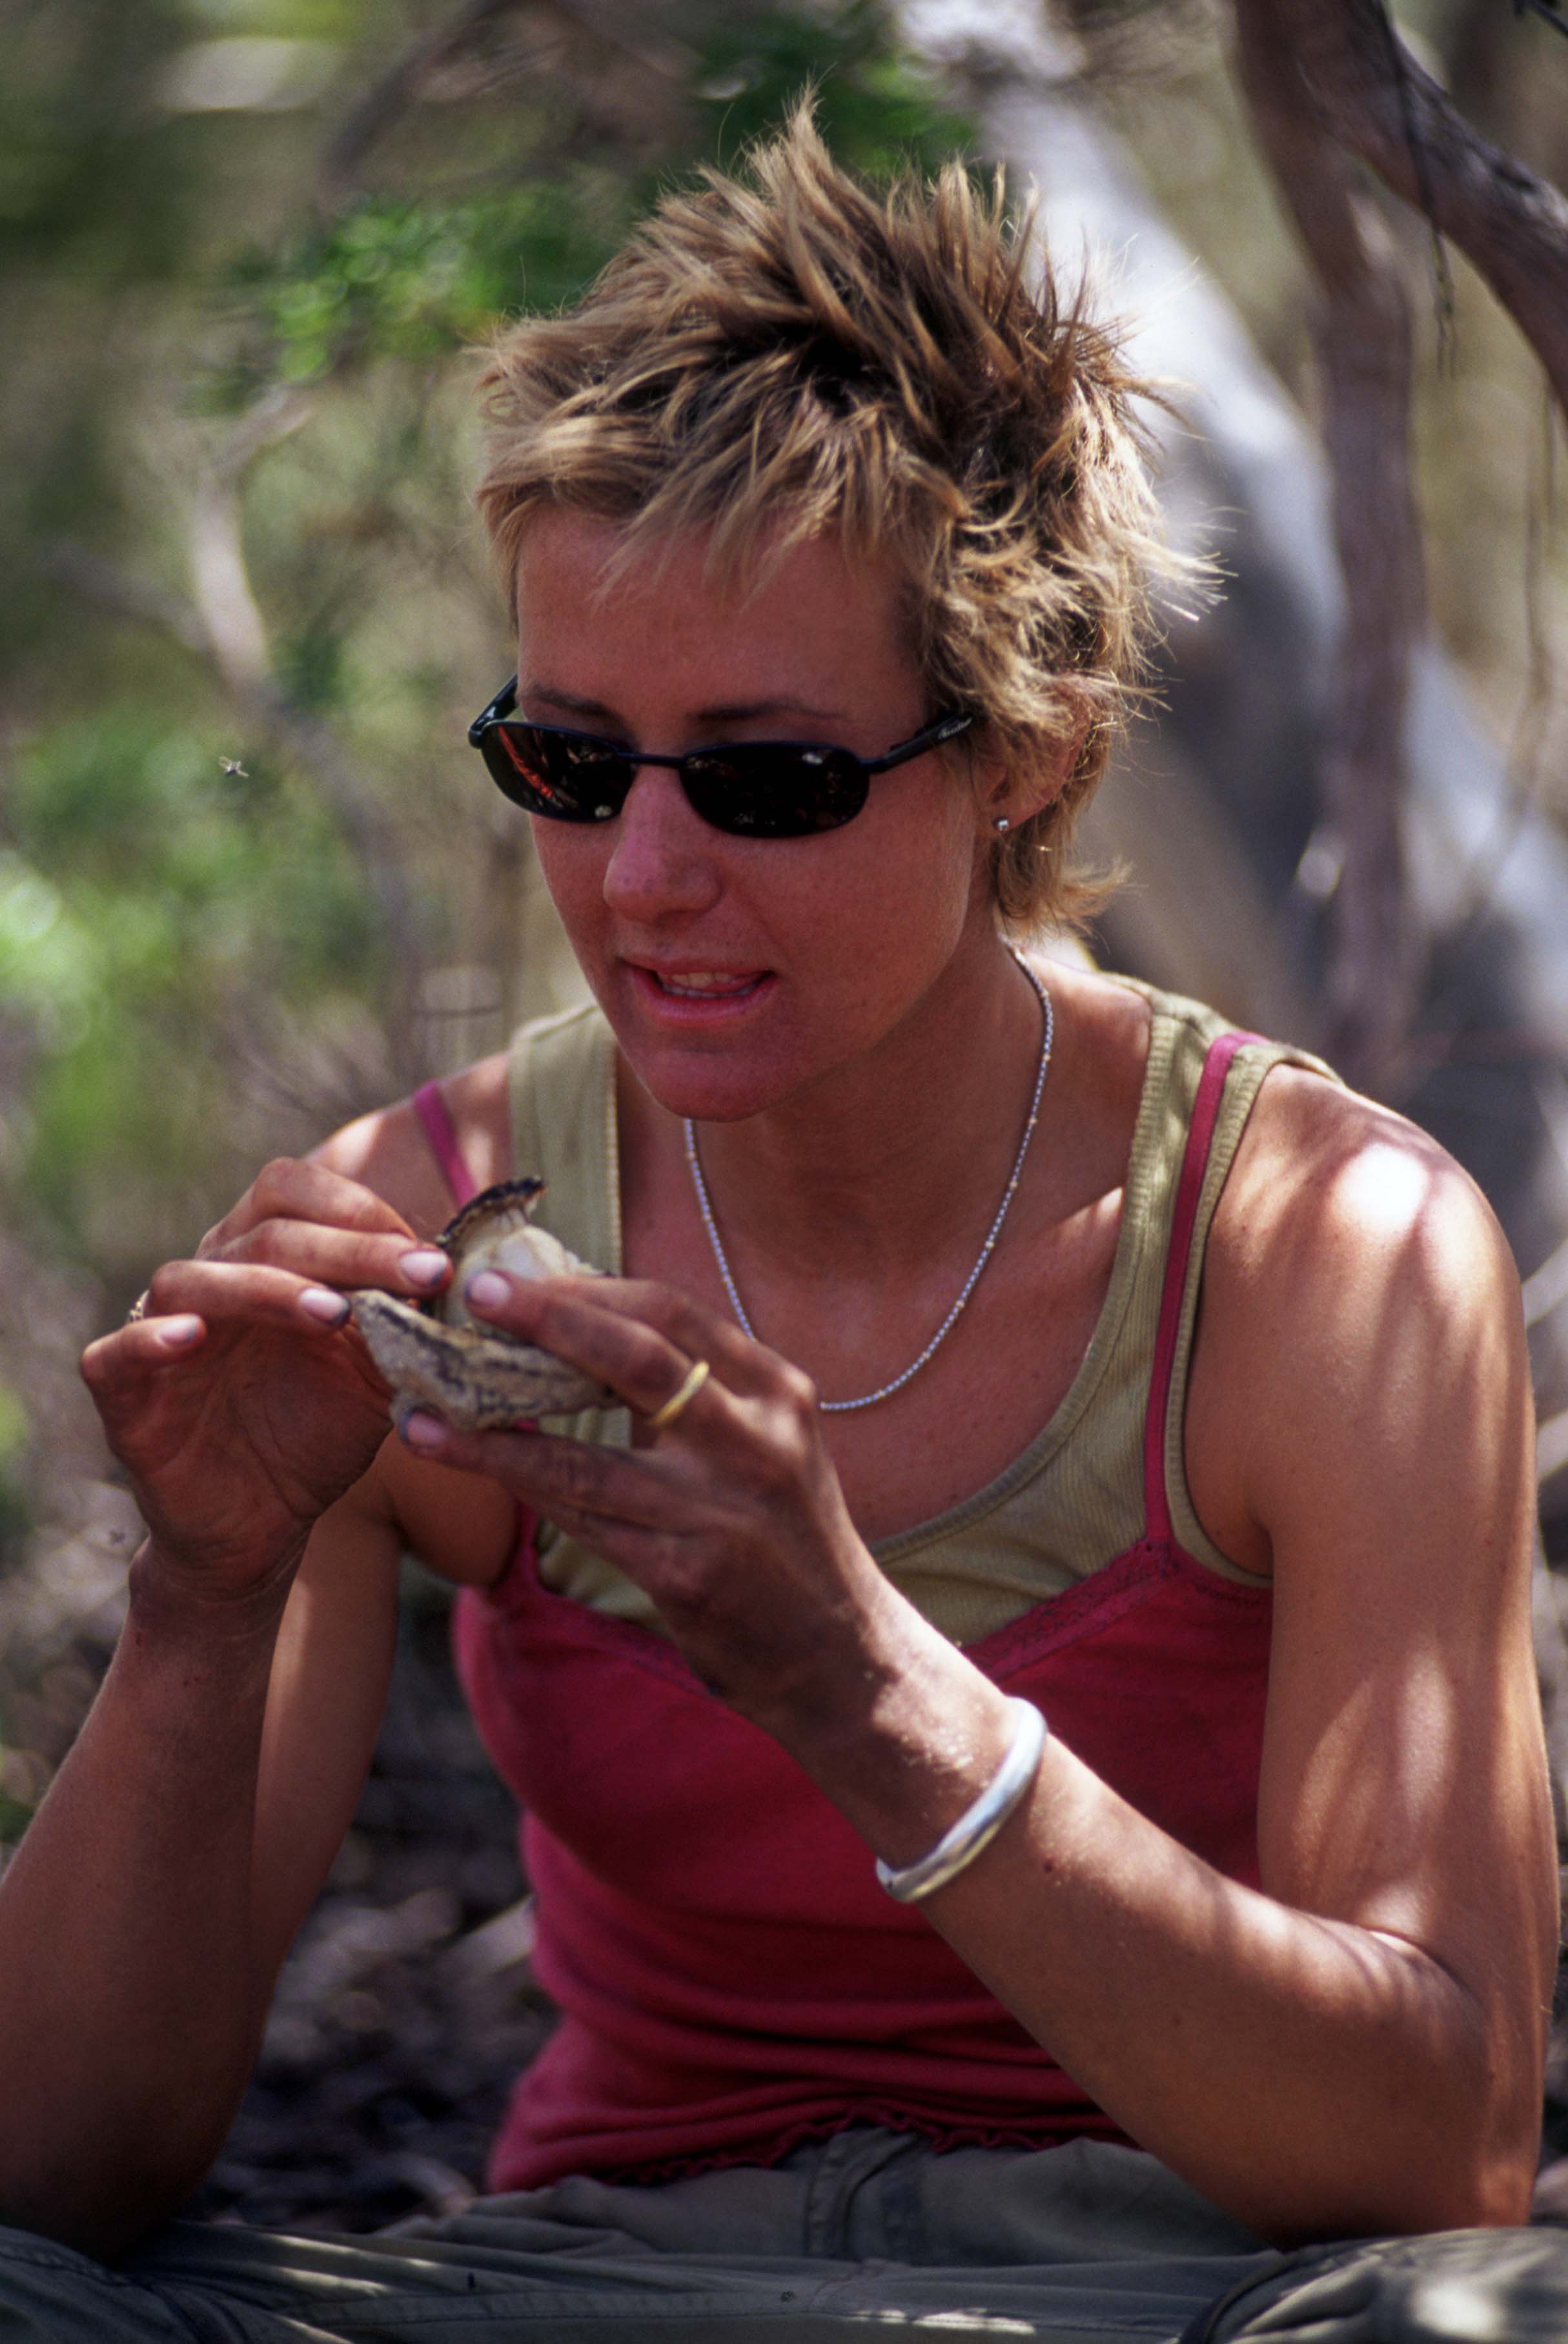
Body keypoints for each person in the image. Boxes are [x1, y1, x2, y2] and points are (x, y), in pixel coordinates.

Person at [0, 108, 1560, 2344]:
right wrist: (199, 1599)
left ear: (1029, 746)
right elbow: (62, 2168)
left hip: (1182, 2297)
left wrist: (855, 1676)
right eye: (567, 761)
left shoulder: (1328, 1259)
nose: (642, 877)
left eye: (769, 780)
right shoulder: (412, 1232)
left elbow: (1435, 2151)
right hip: (579, 2280)